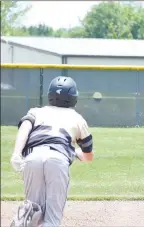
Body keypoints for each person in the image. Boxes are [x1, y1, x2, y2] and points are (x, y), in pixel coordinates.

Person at [10, 76, 94, 227]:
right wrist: (74, 152)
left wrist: (16, 154)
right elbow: (88, 155)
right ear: (74, 98)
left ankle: (23, 223)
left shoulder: (36, 111)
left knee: (33, 211)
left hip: (32, 158)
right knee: (52, 220)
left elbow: (24, 128)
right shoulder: (78, 118)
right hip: (58, 159)